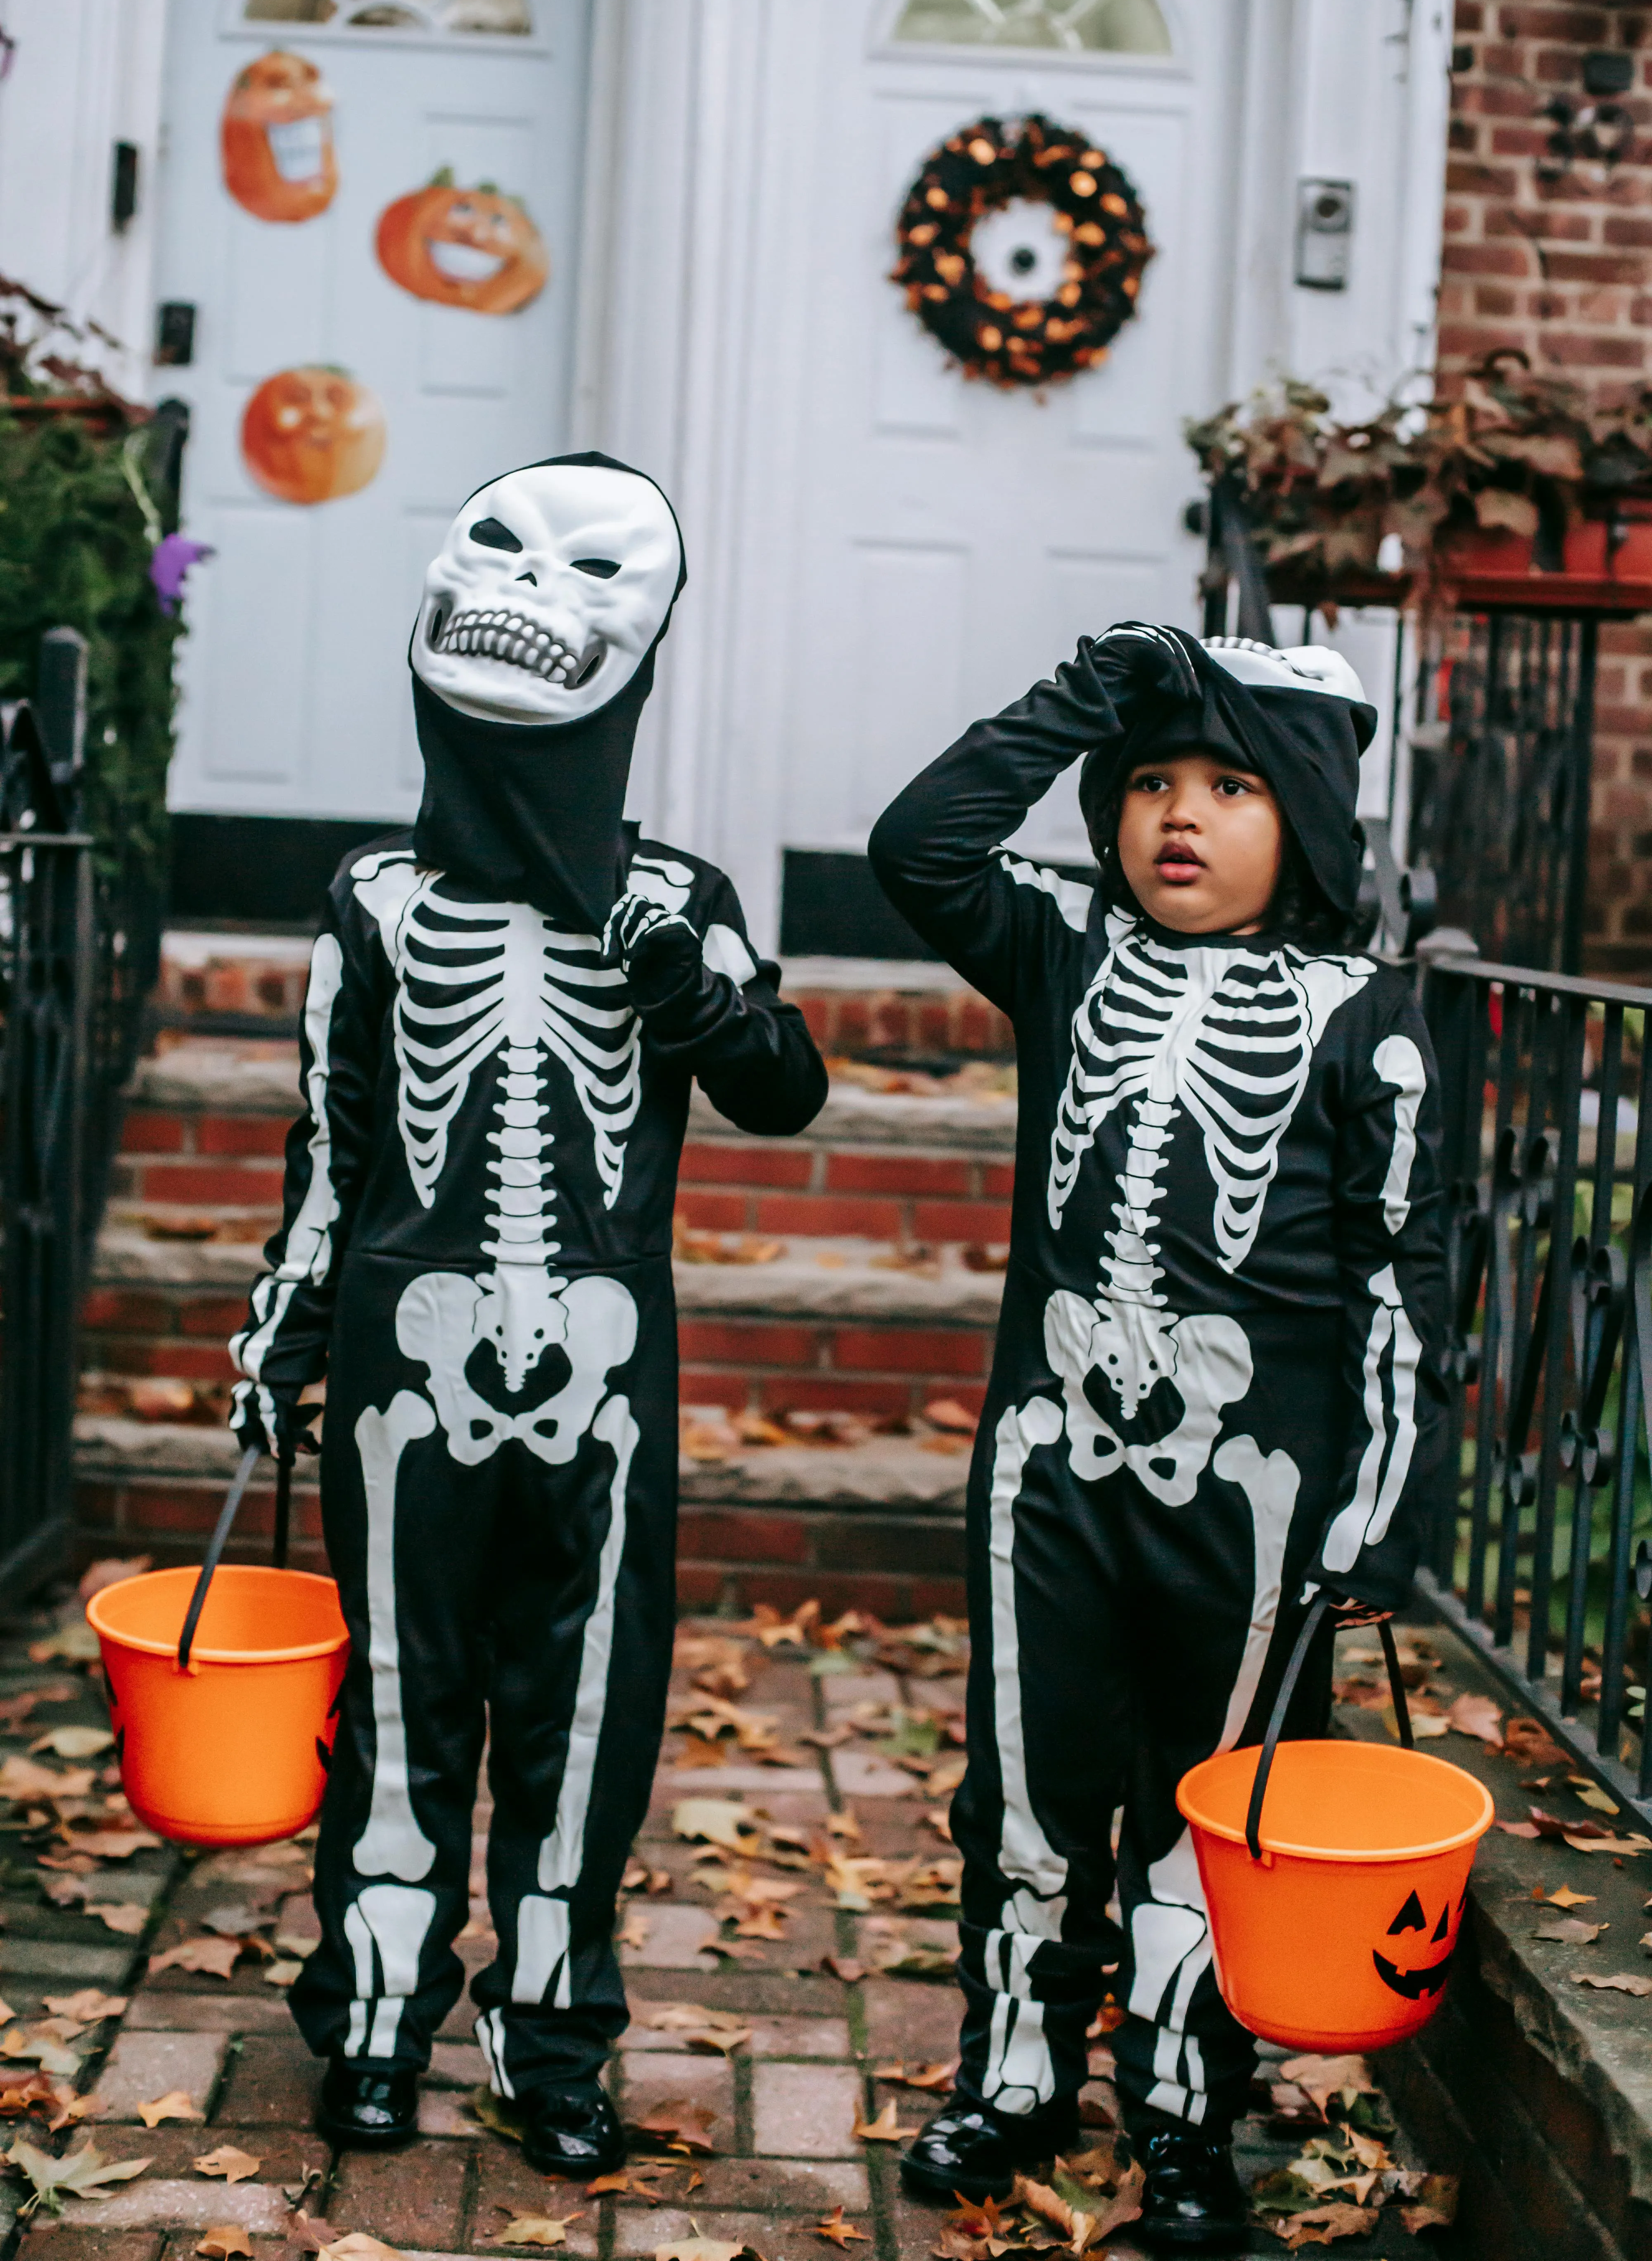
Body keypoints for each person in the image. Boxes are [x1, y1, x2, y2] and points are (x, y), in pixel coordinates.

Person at [227, 452, 827, 2173]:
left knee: (591, 1706)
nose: (532, 592)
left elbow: (785, 1088)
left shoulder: (679, 900)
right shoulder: (377, 904)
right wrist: (287, 1320)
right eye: (499, 548)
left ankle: (550, 2027)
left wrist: (690, 985)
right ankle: (378, 2007)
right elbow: (333, 1148)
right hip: (405, 1360)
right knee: (404, 1691)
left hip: (607, 1367)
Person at [868, 624, 1446, 2255]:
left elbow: (1407, 1287)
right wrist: (1079, 699)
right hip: (1051, 1459)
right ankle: (1018, 2071)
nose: (1172, 816)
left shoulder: (1363, 1020)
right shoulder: (1065, 945)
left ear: (1312, 819)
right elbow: (918, 844)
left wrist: (1376, 1518)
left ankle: (1187, 2107)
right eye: (1148, 783)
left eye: (1229, 785)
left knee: (1215, 1814)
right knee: (1028, 1797)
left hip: (1253, 1495)